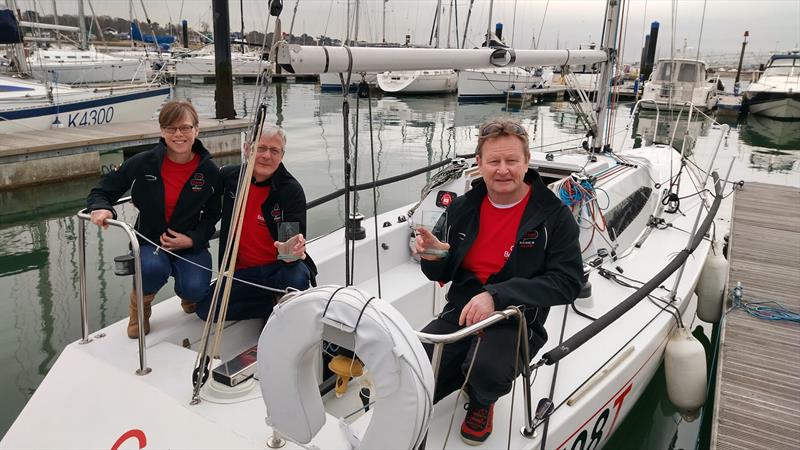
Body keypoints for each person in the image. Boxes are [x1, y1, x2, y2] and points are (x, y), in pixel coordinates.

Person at [414, 118, 583, 445]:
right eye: (493, 161)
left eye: (512, 161)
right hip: (461, 312)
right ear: (479, 164)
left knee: (487, 369)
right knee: (417, 364)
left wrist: (497, 295)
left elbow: (568, 282)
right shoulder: (463, 207)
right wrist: (434, 258)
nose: (502, 169)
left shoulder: (553, 215)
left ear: (526, 161)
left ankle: (481, 401)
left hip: (518, 319)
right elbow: (441, 275)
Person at [86, 100, 221, 338]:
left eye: (185, 128)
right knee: (151, 267)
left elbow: (213, 213)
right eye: (171, 128)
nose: (178, 134)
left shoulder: (209, 171)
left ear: (197, 130)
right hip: (150, 241)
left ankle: (188, 294)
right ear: (162, 131)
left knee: (197, 287)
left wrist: (193, 239)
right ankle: (140, 307)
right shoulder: (142, 163)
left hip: (189, 243)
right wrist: (101, 208)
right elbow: (102, 191)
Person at [196, 123, 316, 322]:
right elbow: (200, 198)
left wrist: (290, 252)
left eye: (274, 150)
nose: (267, 156)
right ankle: (274, 306)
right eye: (260, 148)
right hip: (242, 271)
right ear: (247, 149)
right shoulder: (230, 178)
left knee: (297, 277)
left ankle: (286, 306)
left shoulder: (289, 191)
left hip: (279, 268)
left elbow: (289, 246)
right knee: (205, 309)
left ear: (282, 156)